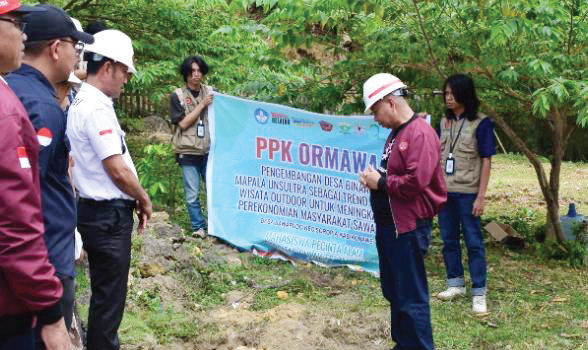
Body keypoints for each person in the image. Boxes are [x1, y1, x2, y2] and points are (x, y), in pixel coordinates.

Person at [6, 5, 94, 346]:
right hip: (42, 267)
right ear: (57, 48)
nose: (78, 56)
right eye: (76, 46)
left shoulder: (10, 90)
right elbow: (26, 202)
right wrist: (48, 307)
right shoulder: (41, 106)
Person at [66, 29, 152, 350]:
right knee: (109, 299)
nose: (126, 79)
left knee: (104, 295)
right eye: (125, 71)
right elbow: (115, 167)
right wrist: (142, 197)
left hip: (92, 211)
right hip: (106, 217)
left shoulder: (84, 101)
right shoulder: (96, 107)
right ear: (109, 67)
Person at [0, 1, 71, 349]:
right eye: (15, 22)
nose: (23, 34)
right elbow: (18, 217)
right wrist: (50, 311)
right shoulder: (17, 109)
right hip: (18, 294)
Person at [360, 73, 447, 350]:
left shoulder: (420, 133)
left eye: (376, 110)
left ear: (390, 102)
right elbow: (398, 175)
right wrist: (379, 177)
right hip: (390, 227)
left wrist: (381, 182)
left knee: (411, 296)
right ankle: (404, 344)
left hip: (408, 228)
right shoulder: (396, 134)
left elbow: (415, 183)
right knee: (394, 291)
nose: (376, 118)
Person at [436, 74, 496, 315]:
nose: (448, 98)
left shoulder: (481, 123)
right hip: (445, 193)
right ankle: (455, 284)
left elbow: (486, 161)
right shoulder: (443, 122)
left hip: (468, 193)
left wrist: (481, 197)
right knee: (448, 240)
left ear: (465, 94)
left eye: (453, 94)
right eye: (446, 94)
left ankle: (479, 292)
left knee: (473, 243)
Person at [169, 55, 214, 237]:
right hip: (187, 151)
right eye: (192, 71)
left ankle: (216, 227)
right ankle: (198, 227)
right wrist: (202, 105)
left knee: (213, 190)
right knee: (192, 193)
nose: (196, 75)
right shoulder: (177, 95)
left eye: (199, 71)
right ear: (186, 74)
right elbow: (183, 124)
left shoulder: (211, 92)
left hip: (209, 150)